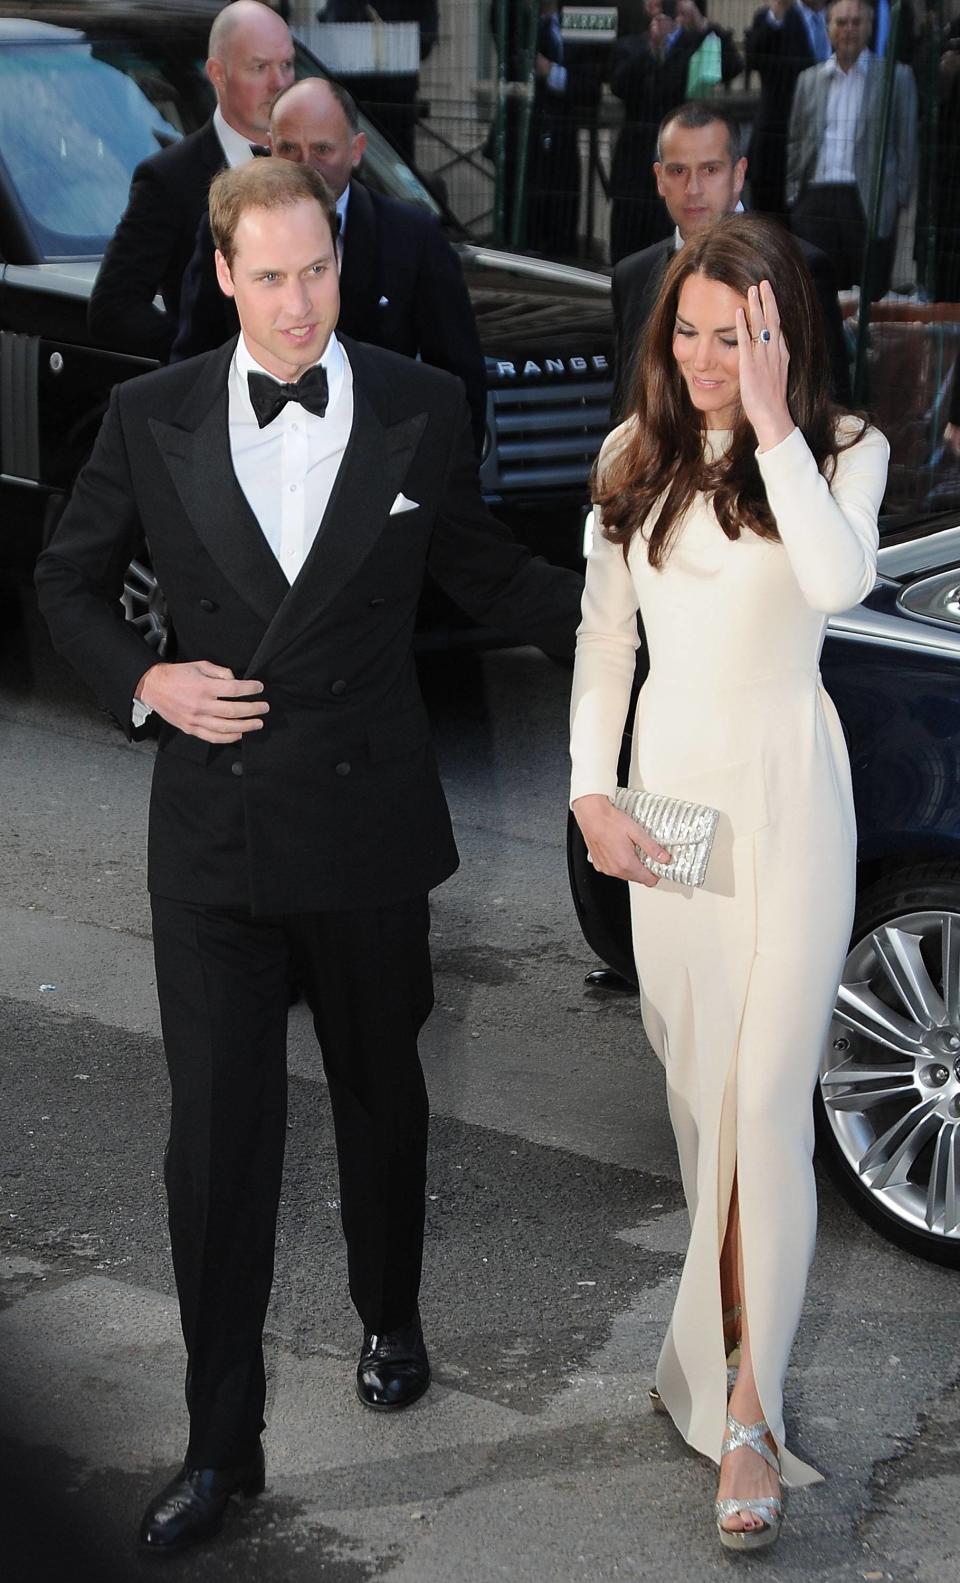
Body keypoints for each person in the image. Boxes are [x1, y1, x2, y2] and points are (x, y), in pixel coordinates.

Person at [35, 158, 583, 1559]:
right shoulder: (150, 416)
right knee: (214, 1145)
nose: (298, 306)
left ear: (342, 258)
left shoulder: (418, 402)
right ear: (221, 275)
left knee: (378, 1093)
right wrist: (151, 686)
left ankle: (387, 1308)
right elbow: (66, 583)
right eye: (269, 278)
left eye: (318, 271)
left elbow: (485, 568)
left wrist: (654, 615)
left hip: (364, 826)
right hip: (213, 837)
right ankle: (219, 1443)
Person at [570, 212, 888, 1548]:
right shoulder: (631, 457)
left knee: (765, 1104)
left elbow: (839, 576)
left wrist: (771, 424)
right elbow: (603, 644)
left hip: (790, 798)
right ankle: (707, 1357)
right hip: (671, 814)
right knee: (702, 1102)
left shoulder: (840, 453)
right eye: (694, 330)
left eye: (741, 334)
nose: (710, 356)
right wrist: (591, 789)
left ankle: (751, 1410)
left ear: (786, 331)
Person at [172, 77, 487, 450]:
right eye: (289, 148)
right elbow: (193, 359)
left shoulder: (413, 237)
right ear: (269, 147)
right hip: (251, 450)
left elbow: (458, 377)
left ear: (356, 150)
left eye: (323, 149)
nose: (306, 165)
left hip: (377, 461)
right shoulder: (229, 231)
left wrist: (441, 475)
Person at [611, 101, 851, 416]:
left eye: (710, 170)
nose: (692, 188)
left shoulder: (800, 268)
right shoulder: (633, 278)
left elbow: (830, 408)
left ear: (738, 175)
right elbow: (625, 409)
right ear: (659, 179)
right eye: (678, 170)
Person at [87, 0, 295, 360]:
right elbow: (113, 308)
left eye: (287, 65)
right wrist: (204, 358)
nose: (280, 83)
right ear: (218, 75)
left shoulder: (314, 162)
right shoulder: (170, 179)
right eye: (260, 67)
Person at [786, 0, 917, 298]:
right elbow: (796, 140)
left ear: (870, 28)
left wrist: (897, 196)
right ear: (829, 29)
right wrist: (794, 193)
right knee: (818, 296)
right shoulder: (808, 80)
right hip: (815, 198)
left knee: (869, 296)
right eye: (841, 23)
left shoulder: (896, 78)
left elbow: (906, 144)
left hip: (866, 199)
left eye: (857, 23)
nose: (849, 30)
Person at [316, 0, 438, 163]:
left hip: (395, 98)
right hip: (355, 94)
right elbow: (333, 29)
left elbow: (424, 42)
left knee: (395, 162)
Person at [745, 0, 829, 221]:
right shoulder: (773, 18)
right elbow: (754, 58)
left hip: (830, 151)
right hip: (778, 149)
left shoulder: (844, 18)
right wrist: (778, 13)